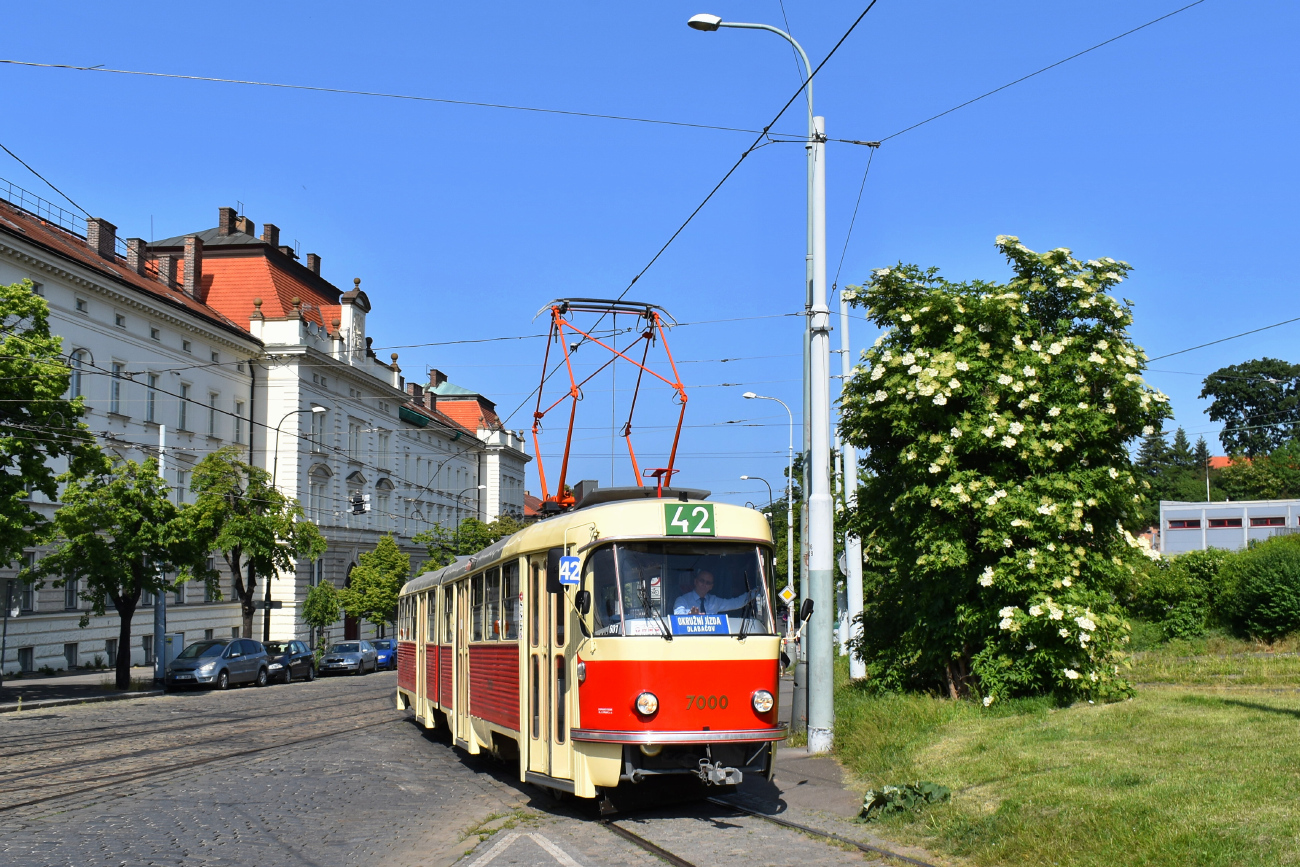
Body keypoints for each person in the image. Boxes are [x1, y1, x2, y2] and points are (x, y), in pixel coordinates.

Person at [672, 570, 755, 616]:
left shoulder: (715, 601)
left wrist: (757, 592)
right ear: (696, 582)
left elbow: (736, 603)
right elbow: (677, 613)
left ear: (711, 586)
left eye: (708, 583)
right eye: (702, 581)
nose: (704, 584)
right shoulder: (682, 600)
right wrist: (689, 615)